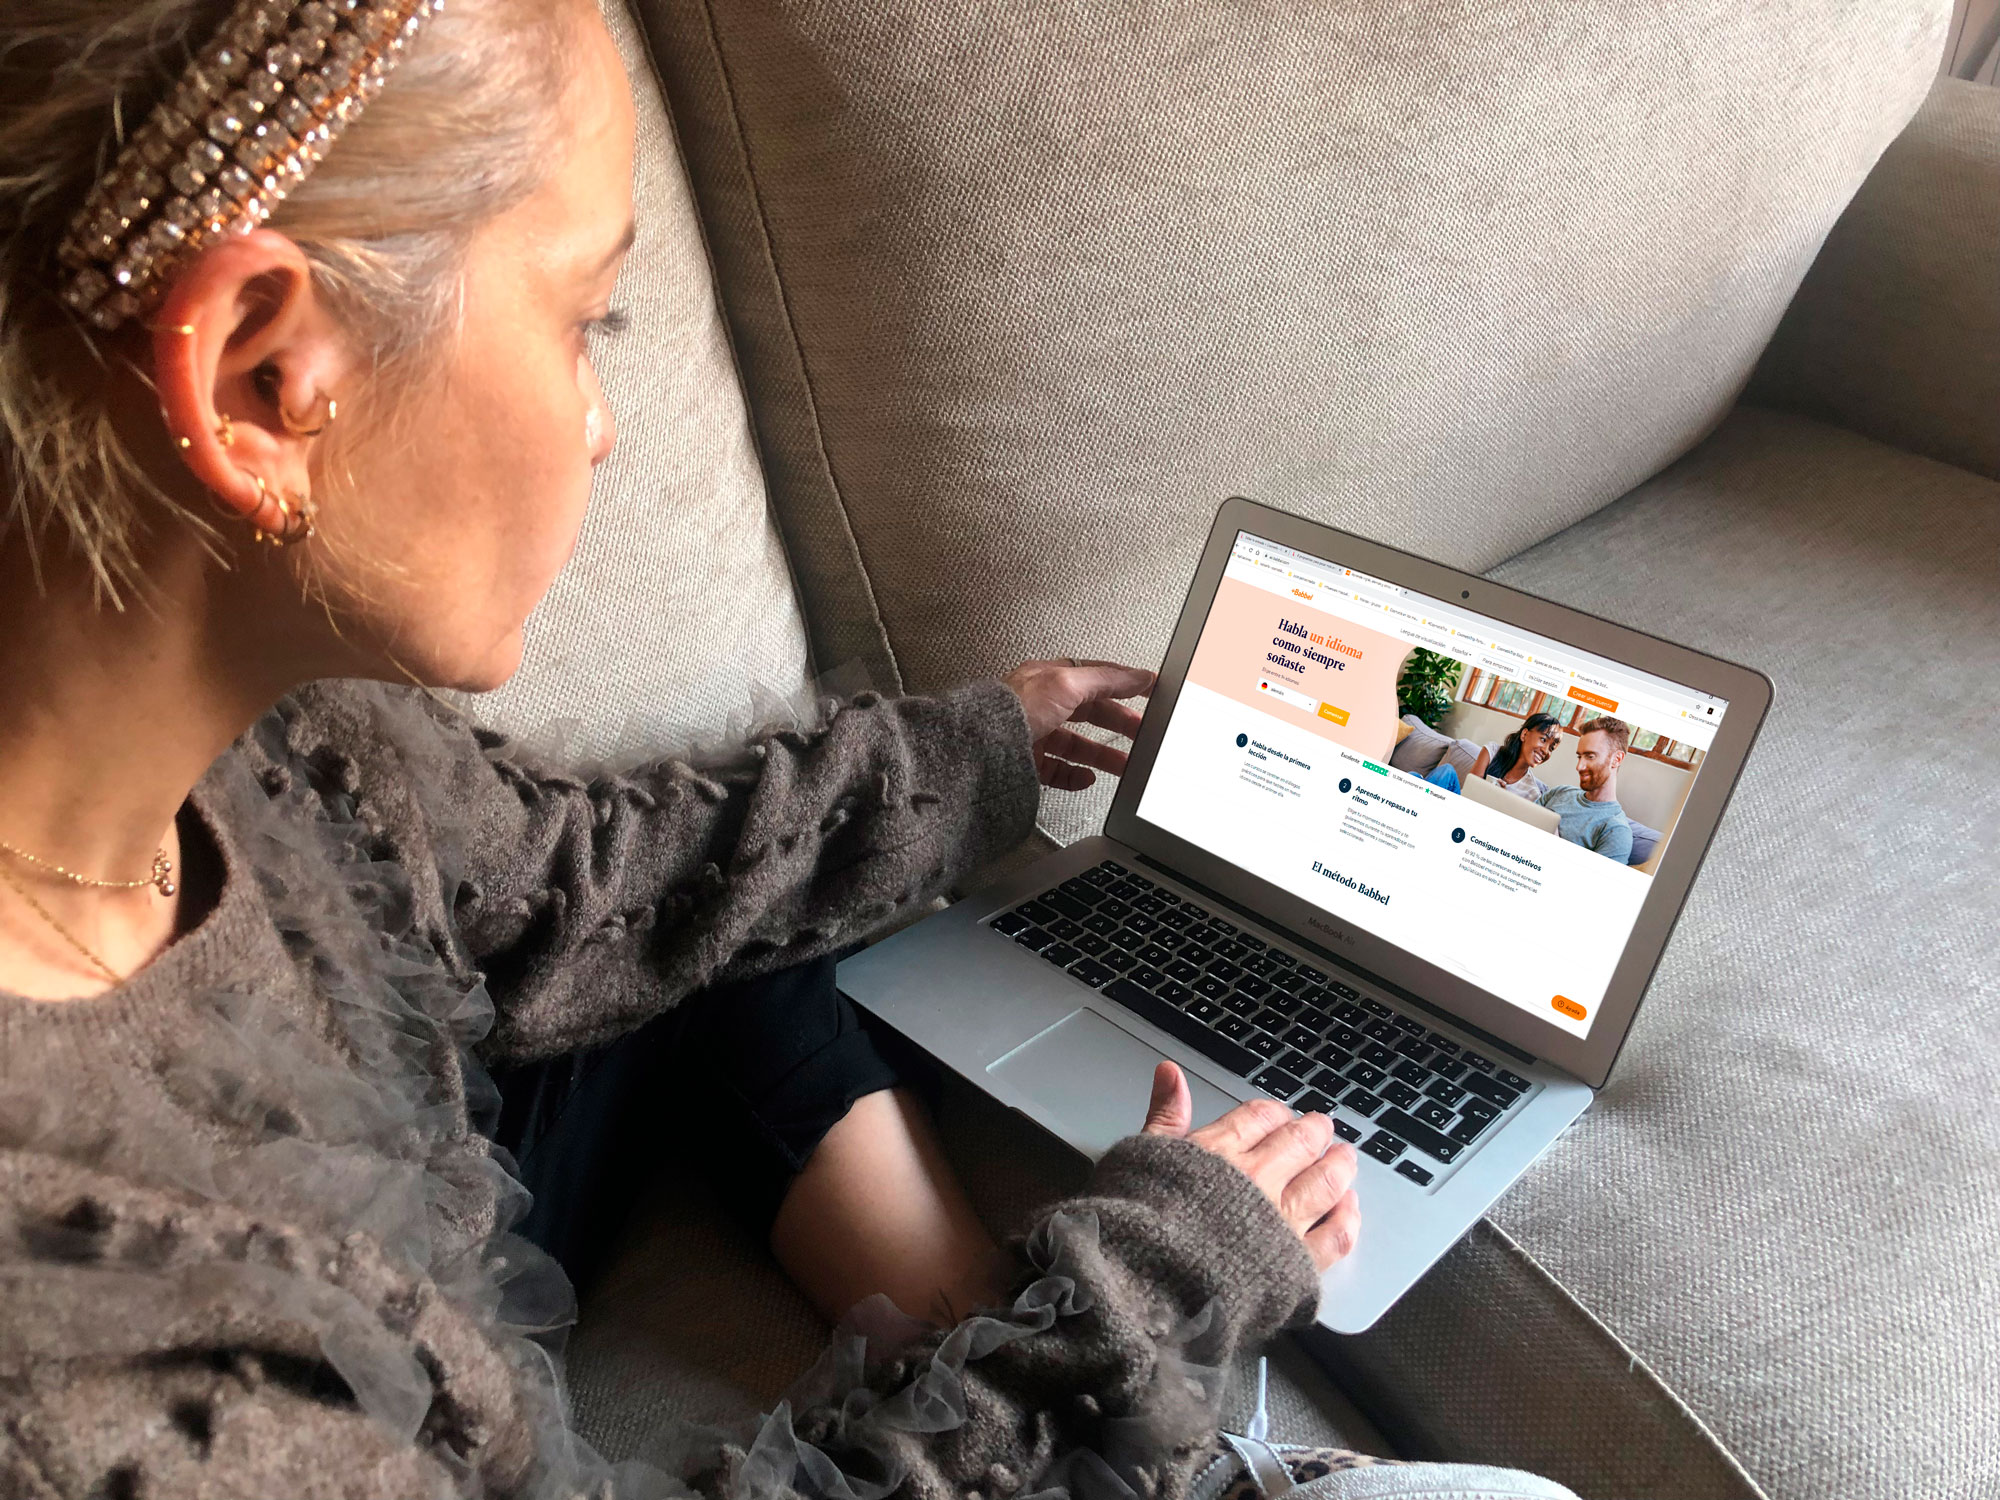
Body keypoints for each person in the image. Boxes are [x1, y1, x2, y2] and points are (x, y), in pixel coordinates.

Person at [0, 3, 1360, 1497]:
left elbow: (584, 882)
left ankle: (982, 1349)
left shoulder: (286, 731)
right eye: (589, 321)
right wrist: (1142, 1296)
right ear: (262, 374)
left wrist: (980, 750)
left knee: (734, 919)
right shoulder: (95, 1395)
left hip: (439, 1192)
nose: (599, 429)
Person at [1538, 718, 1635, 863]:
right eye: (1579, 756)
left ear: (1616, 759)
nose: (1579, 766)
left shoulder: (1616, 830)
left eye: (1590, 756)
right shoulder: (1560, 792)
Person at [1420, 713, 1560, 798]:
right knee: (1446, 771)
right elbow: (1469, 790)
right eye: (1543, 739)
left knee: (1415, 778)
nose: (1546, 751)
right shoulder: (1492, 751)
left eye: (1552, 748)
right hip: (1462, 803)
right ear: (1524, 734)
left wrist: (1498, 799)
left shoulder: (1532, 792)